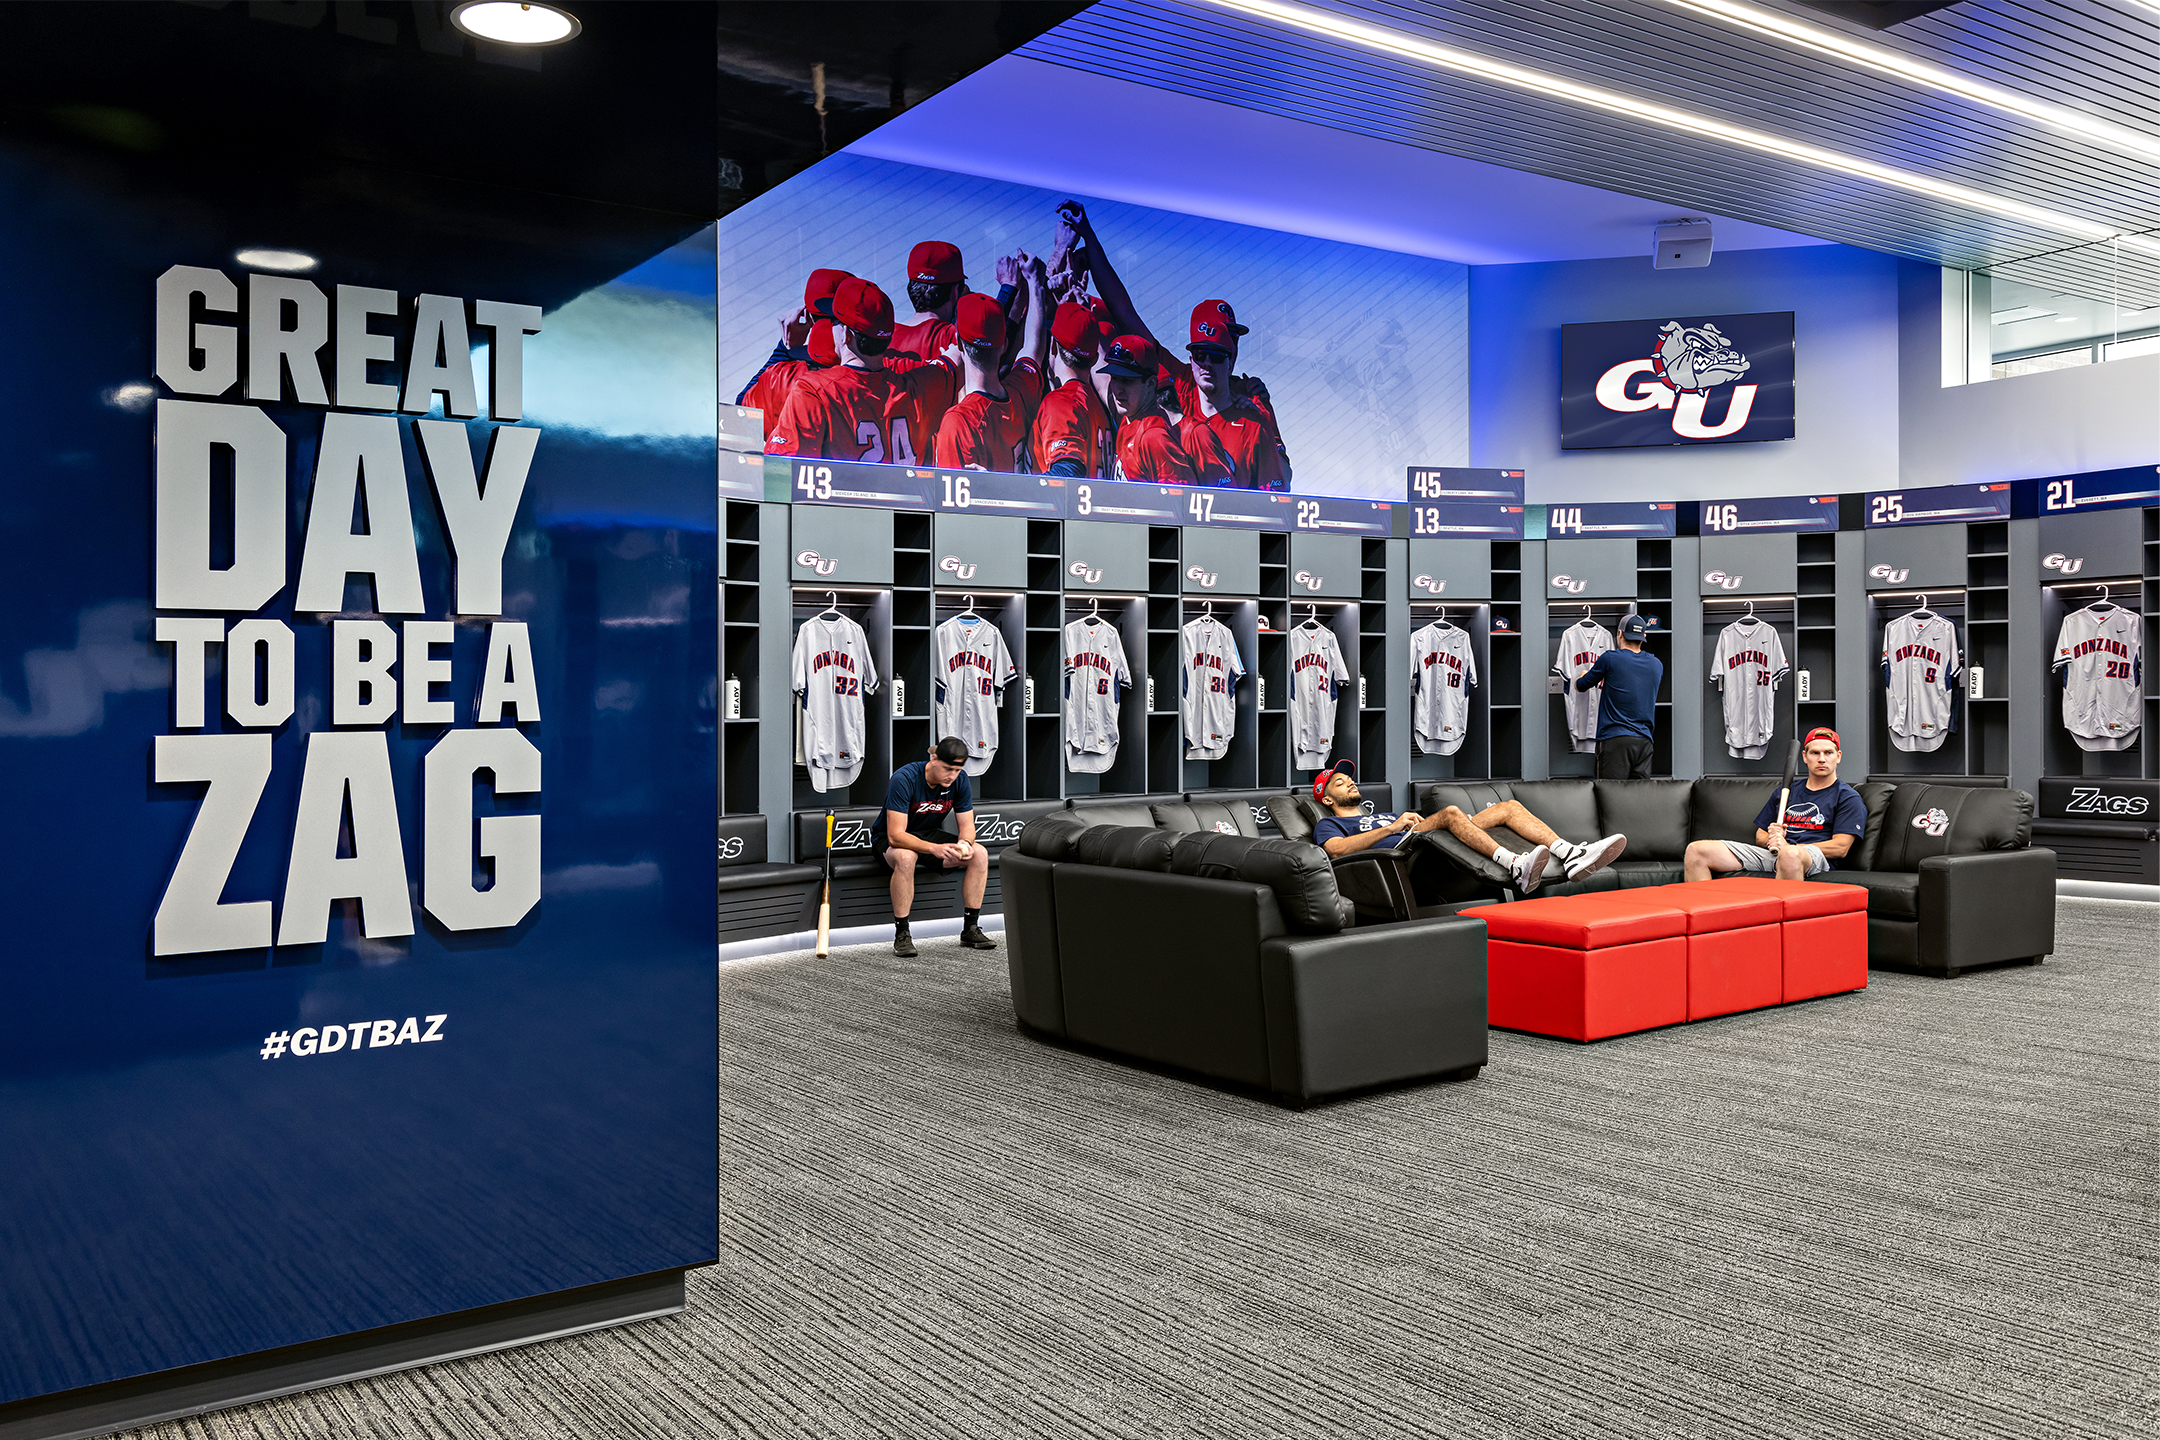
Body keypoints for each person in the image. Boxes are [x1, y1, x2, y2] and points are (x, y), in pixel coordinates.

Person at [1060, 200, 1290, 489]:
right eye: (1202, 352)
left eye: (1224, 347)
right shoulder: (1181, 385)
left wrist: (1264, 424)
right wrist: (1089, 236)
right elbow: (1125, 314)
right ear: (1192, 355)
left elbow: (1283, 480)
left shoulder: (1253, 404)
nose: (1209, 360)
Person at [1308, 760, 1625, 896]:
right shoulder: (1330, 823)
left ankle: (1568, 853)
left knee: (1508, 808)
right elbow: (1335, 851)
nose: (1349, 781)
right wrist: (1391, 828)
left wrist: (1405, 820)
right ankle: (1515, 865)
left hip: (1421, 837)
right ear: (1325, 798)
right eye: (1339, 781)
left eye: (1349, 778)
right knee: (1449, 813)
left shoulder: (1384, 813)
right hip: (1400, 853)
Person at [767, 277, 956, 465]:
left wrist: (786, 349)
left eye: (834, 321)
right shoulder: (920, 387)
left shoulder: (813, 391)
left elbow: (782, 472)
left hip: (843, 495)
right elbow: (961, 354)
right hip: (907, 495)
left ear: (847, 335)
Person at [1683, 727, 1868, 882]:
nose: (1821, 759)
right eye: (1815, 753)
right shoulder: (1786, 791)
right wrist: (1774, 837)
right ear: (1804, 757)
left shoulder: (1847, 797)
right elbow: (1761, 836)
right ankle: (1704, 923)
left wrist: (1789, 848)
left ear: (1838, 756)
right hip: (1775, 854)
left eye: (1828, 753)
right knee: (1697, 851)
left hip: (1814, 858)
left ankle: (1785, 924)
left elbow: (1841, 847)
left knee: (1790, 856)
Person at [883, 736, 995, 957]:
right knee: (907, 857)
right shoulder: (904, 778)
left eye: (957, 770)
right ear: (934, 759)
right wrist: (934, 848)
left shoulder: (959, 780)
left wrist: (965, 843)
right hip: (890, 840)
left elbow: (967, 826)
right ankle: (902, 934)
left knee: (979, 853)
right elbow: (895, 836)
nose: (952, 776)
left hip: (929, 835)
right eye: (947, 769)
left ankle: (970, 928)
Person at [932, 273, 1048, 472]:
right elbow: (1034, 345)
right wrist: (1034, 282)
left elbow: (951, 501)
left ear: (959, 343)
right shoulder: (1021, 389)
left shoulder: (958, 423)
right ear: (1004, 346)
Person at [736, 268, 851, 443]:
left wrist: (784, 349)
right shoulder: (883, 370)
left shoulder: (779, 377)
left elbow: (741, 411)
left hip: (795, 469)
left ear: (806, 314)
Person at [1100, 335, 1201, 483]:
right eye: (1114, 378)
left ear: (1150, 384)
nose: (1117, 390)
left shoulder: (1153, 437)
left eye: (1126, 381)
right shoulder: (1129, 422)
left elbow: (1180, 500)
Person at [1574, 613, 1663, 779]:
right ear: (1644, 636)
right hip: (1644, 742)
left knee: (1608, 796)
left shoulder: (1610, 658)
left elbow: (1581, 686)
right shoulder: (1656, 664)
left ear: (1620, 634)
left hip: (1615, 740)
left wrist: (1583, 674)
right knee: (1638, 798)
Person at [1034, 300, 1113, 478]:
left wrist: (1008, 488)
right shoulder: (1096, 405)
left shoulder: (1061, 403)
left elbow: (1068, 472)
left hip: (1064, 505)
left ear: (1053, 346)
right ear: (1094, 361)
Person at [890, 240, 966, 364]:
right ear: (956, 291)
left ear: (910, 288)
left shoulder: (883, 338)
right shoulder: (956, 341)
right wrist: (1008, 287)